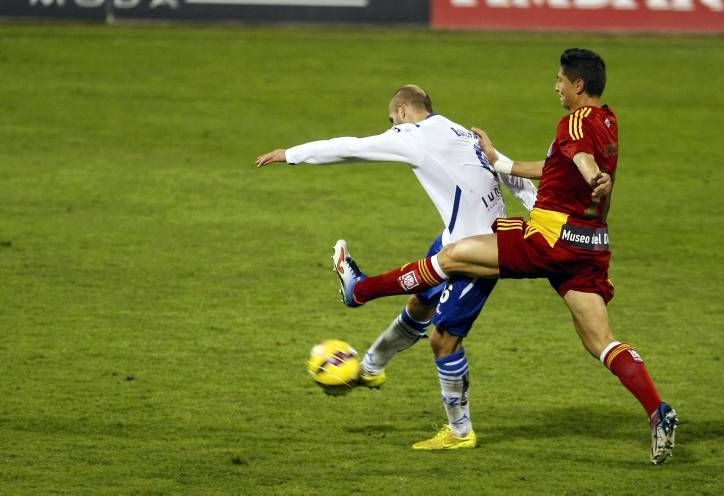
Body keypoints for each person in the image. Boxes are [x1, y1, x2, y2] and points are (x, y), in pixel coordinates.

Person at [332, 50, 679, 464]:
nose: (556, 87)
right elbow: (558, 164)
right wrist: (501, 161)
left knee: (454, 254)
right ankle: (658, 411)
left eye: (560, 80)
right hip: (590, 246)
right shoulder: (608, 120)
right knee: (601, 342)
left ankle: (361, 290)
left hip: (549, 239)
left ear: (578, 85)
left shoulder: (573, 123)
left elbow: (582, 158)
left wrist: (592, 176)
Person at [255, 85, 536, 450]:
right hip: (459, 237)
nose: (392, 126)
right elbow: (512, 174)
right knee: (420, 303)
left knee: (443, 339)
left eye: (392, 119)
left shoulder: (412, 135)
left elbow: (351, 147)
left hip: (480, 253)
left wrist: (291, 154)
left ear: (403, 110)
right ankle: (371, 368)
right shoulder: (461, 131)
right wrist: (541, 210)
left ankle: (460, 432)